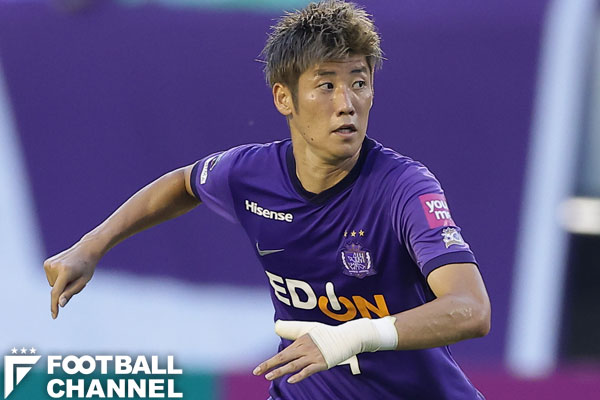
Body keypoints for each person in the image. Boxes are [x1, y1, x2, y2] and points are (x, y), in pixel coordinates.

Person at [43, 1, 491, 398]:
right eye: (327, 85)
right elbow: (183, 183)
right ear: (284, 98)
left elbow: (471, 310)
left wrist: (350, 337)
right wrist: (90, 246)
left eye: (359, 83)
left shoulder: (405, 188)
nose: (347, 103)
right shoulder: (250, 174)